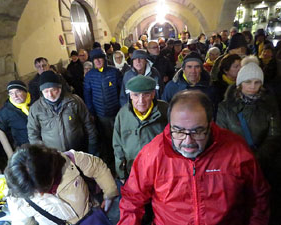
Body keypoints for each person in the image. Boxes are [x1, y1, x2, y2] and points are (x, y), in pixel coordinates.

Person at [118, 90, 270, 225]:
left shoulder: (236, 151)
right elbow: (132, 200)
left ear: (210, 125)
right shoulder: (153, 154)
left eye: (197, 132)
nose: (187, 142)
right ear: (170, 124)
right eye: (178, 131)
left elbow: (258, 197)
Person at [216, 56, 281, 224]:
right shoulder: (226, 107)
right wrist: (242, 158)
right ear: (239, 84)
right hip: (235, 165)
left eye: (257, 82)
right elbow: (222, 135)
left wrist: (258, 157)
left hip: (265, 164)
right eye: (248, 82)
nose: (252, 87)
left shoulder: (269, 104)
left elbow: (274, 135)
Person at [5, 144, 118, 225]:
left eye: (42, 187)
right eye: (33, 192)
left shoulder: (70, 161)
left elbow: (98, 168)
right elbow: (23, 221)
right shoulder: (17, 195)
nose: (41, 194)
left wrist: (109, 196)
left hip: (92, 218)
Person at [28, 70, 98, 154]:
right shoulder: (35, 108)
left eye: (53, 90)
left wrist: (93, 145)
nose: (50, 95)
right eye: (46, 91)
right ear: (41, 92)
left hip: (79, 151)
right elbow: (33, 134)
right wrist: (43, 153)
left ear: (60, 88)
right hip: (54, 155)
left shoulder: (74, 101)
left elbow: (88, 123)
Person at [113, 75, 168, 181]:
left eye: (146, 94)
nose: (141, 100)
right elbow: (118, 146)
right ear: (130, 96)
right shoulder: (122, 115)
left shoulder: (165, 111)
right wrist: (122, 175)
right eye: (136, 95)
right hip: (134, 172)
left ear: (153, 94)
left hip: (161, 172)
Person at [83, 48, 122, 167]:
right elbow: (87, 95)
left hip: (116, 112)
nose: (98, 61)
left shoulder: (114, 72)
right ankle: (110, 161)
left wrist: (122, 109)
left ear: (104, 59)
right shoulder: (89, 76)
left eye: (100, 58)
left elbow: (121, 92)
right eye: (95, 59)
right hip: (100, 114)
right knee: (105, 139)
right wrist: (91, 113)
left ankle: (120, 159)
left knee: (119, 137)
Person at [0, 80, 30, 147]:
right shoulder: (5, 112)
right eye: (11, 93)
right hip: (26, 144)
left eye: (18, 92)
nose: (15, 96)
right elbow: (4, 128)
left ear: (25, 91)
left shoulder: (36, 102)